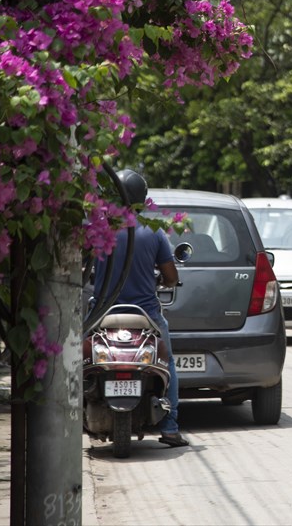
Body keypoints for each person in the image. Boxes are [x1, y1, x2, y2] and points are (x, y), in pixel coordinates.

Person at [92, 169, 188, 448]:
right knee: (167, 364)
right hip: (145, 315)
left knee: (80, 359)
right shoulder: (154, 231)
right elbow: (171, 277)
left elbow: (88, 271)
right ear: (143, 199)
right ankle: (170, 428)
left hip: (103, 313)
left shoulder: (99, 229)